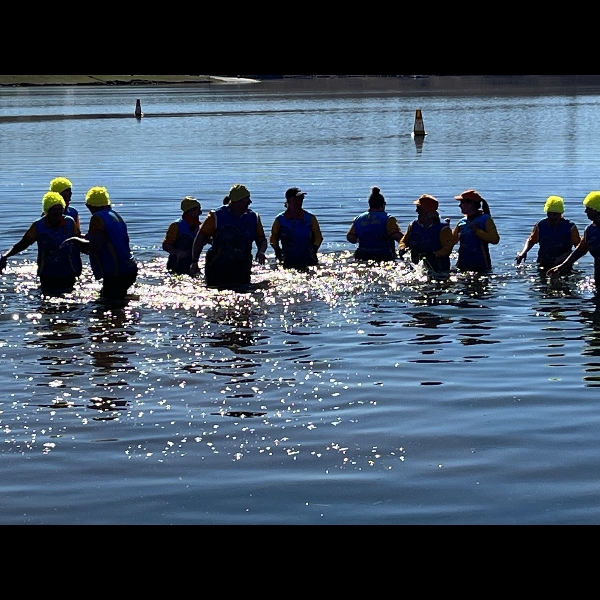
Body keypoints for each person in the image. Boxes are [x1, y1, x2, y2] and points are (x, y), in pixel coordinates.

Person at [61, 186, 138, 300]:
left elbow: (94, 246)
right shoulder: (114, 215)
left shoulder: (97, 218)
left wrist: (74, 241)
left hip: (116, 272)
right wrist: (79, 236)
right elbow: (101, 238)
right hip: (130, 268)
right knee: (116, 299)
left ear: (90, 206)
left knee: (109, 304)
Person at [0, 191, 82, 292]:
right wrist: (6, 256)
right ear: (48, 210)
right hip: (47, 274)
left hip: (68, 272)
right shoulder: (38, 226)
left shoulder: (69, 222)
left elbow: (79, 243)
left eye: (60, 209)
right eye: (55, 210)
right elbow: (22, 244)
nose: (58, 213)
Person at [190, 184, 267, 287]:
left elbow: (262, 240)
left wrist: (261, 251)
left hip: (242, 268)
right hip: (217, 268)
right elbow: (199, 239)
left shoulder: (254, 217)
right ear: (237, 201)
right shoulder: (216, 216)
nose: (250, 202)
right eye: (247, 199)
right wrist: (194, 262)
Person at [515, 195, 581, 273]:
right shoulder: (540, 226)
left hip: (563, 266)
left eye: (555, 214)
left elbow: (580, 247)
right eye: (549, 214)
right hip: (543, 264)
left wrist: (567, 255)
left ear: (560, 214)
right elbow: (531, 241)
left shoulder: (570, 227)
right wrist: (523, 252)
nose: (552, 217)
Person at [548, 191, 600, 286]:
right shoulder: (590, 230)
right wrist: (560, 267)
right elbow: (580, 250)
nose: (585, 211)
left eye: (588, 208)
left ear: (596, 209)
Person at [270, 187, 323, 269]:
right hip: (288, 259)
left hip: (308, 259)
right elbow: (273, 238)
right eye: (297, 198)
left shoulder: (310, 218)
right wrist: (277, 251)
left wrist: (314, 248)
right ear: (289, 200)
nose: (300, 201)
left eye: (301, 198)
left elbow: (318, 237)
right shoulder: (280, 220)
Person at [399, 194, 454, 272]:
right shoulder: (413, 225)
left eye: (419, 208)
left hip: (439, 269)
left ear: (428, 212)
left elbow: (448, 248)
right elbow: (404, 241)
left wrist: (434, 255)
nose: (416, 211)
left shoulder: (443, 229)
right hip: (415, 268)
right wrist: (402, 248)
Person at [346, 187, 402, 261]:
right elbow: (397, 236)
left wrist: (363, 239)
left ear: (370, 204)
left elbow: (350, 237)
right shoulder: (388, 219)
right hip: (383, 255)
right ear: (383, 204)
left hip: (362, 254)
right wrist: (407, 242)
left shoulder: (359, 219)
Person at [452, 189, 500, 272]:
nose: (460, 206)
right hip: (463, 265)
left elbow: (495, 239)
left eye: (462, 202)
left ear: (471, 204)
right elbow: (452, 241)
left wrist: (477, 232)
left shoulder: (486, 219)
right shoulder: (461, 222)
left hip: (481, 265)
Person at [163, 196, 202, 275]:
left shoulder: (196, 226)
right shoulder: (176, 226)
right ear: (190, 211)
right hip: (176, 264)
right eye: (198, 210)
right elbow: (165, 245)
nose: (200, 212)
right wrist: (178, 252)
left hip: (191, 263)